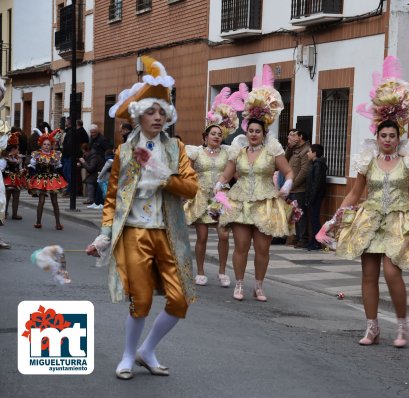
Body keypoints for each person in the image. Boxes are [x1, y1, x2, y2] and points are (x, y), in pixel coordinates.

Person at [85, 56, 198, 380]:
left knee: (180, 300)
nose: (158, 117)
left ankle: (146, 350)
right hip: (134, 233)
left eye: (163, 112)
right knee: (142, 300)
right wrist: (104, 234)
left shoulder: (176, 149)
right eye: (152, 111)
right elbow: (112, 198)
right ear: (138, 115)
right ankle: (126, 356)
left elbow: (191, 188)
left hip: (168, 234)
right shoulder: (124, 152)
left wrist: (163, 174)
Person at [319, 56, 409, 348]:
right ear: (377, 136)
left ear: (399, 137)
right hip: (369, 220)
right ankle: (372, 327)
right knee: (368, 273)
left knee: (391, 271)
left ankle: (401, 326)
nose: (387, 139)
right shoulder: (367, 161)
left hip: (398, 220)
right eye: (383, 135)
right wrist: (336, 217)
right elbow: (354, 192)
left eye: (392, 135)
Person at [217, 65, 295, 302]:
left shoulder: (273, 150)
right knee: (241, 245)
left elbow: (289, 172)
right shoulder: (238, 149)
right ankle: (239, 283)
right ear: (246, 131)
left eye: (257, 131)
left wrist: (285, 188)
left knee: (262, 248)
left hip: (265, 203)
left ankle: (258, 286)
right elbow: (226, 175)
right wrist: (217, 188)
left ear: (264, 132)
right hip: (240, 202)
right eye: (250, 130)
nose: (253, 134)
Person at [184, 85, 246, 288]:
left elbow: (236, 173)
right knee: (201, 236)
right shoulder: (195, 152)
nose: (217, 136)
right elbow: (186, 172)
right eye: (213, 134)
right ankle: (200, 271)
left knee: (223, 234)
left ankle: (222, 271)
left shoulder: (228, 152)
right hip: (201, 196)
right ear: (205, 137)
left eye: (219, 134)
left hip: (221, 198)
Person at [27, 129, 68, 229]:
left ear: (51, 145)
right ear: (41, 145)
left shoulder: (55, 155)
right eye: (45, 144)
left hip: (53, 179)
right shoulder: (37, 154)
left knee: (55, 201)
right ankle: (38, 222)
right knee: (41, 201)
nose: (46, 146)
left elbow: (59, 167)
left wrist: (64, 178)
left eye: (48, 144)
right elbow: (32, 166)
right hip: (41, 179)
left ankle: (58, 223)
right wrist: (30, 176)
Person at [285, 129, 311, 248]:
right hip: (292, 188)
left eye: (293, 135)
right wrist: (289, 147)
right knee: (293, 214)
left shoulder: (306, 150)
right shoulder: (295, 149)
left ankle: (303, 238)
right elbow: (284, 160)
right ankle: (295, 236)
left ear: (300, 137)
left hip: (299, 189)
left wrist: (293, 184)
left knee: (300, 215)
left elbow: (304, 171)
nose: (290, 137)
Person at [304, 144, 327, 251]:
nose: (307, 154)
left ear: (314, 153)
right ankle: (313, 241)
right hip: (313, 197)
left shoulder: (318, 165)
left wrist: (311, 199)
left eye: (309, 151)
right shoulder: (314, 164)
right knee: (313, 220)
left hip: (315, 198)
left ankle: (317, 242)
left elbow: (316, 184)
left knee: (315, 220)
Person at [2, 133, 27, 220]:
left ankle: (15, 214)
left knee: (16, 196)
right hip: (7, 179)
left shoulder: (18, 158)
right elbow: (1, 168)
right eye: (17, 149)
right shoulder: (5, 158)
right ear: (13, 149)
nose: (18, 150)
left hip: (16, 179)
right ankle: (3, 213)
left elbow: (20, 168)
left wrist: (22, 171)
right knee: (7, 197)